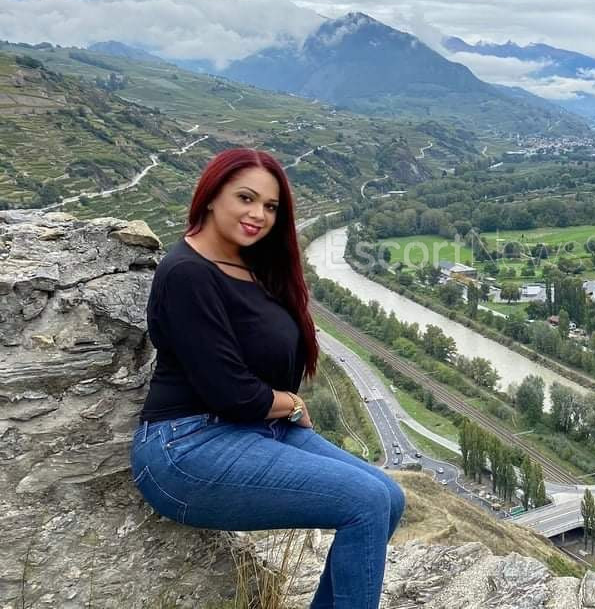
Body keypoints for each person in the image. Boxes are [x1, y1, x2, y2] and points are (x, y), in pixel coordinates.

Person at [130, 148, 404, 609]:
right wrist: (291, 404)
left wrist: (279, 406)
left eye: (271, 206)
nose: (259, 214)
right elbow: (231, 392)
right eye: (246, 198)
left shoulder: (251, 267)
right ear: (211, 196)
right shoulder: (187, 273)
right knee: (365, 501)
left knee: (389, 497)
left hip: (256, 429)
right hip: (188, 447)